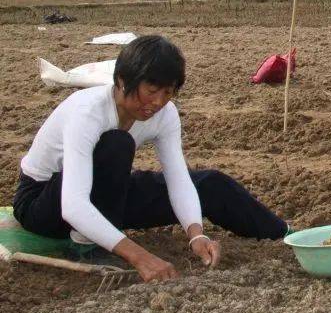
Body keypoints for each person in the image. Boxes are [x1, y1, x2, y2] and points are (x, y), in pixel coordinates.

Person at [13, 36, 288, 283]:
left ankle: (288, 236)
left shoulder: (165, 114)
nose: (157, 102)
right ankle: (86, 246)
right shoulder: (88, 113)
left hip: (107, 193)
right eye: (151, 90)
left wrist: (196, 234)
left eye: (167, 93)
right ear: (122, 80)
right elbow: (72, 206)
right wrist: (139, 256)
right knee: (116, 144)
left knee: (210, 184)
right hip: (44, 203)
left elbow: (178, 180)